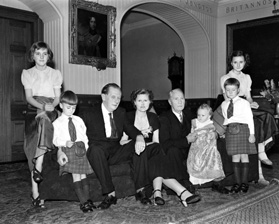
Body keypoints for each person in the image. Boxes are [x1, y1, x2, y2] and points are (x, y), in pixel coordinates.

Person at [58, 83, 158, 209]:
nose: (116, 101)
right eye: (113, 97)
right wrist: (60, 149)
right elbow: (71, 131)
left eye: (119, 98)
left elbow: (130, 128)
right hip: (98, 151)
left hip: (116, 150)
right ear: (103, 97)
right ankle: (110, 194)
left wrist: (138, 137)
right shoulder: (88, 113)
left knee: (139, 144)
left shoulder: (121, 112)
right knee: (95, 150)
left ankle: (140, 190)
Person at [121, 89, 200, 207]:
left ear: (150, 102)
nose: (143, 104)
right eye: (139, 100)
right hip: (133, 149)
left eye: (146, 100)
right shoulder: (128, 116)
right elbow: (122, 142)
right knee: (153, 152)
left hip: (152, 150)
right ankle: (179, 192)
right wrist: (139, 142)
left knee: (157, 151)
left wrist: (146, 145)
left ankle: (158, 193)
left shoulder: (153, 117)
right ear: (134, 102)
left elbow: (156, 142)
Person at [220, 50, 278, 184]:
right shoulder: (225, 78)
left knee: (267, 115)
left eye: (241, 62)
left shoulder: (247, 78)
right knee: (261, 118)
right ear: (231, 63)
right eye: (235, 62)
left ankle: (262, 150)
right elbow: (226, 98)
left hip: (245, 104)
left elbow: (249, 97)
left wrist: (252, 103)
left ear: (245, 63)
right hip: (232, 106)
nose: (238, 65)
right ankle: (260, 155)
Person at [159, 89, 230, 195]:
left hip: (195, 147)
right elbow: (165, 143)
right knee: (172, 151)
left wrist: (215, 134)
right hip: (178, 150)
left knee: (218, 143)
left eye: (182, 98)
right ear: (170, 102)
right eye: (176, 99)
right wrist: (186, 140)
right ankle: (184, 183)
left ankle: (217, 182)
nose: (180, 102)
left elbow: (205, 124)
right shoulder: (165, 118)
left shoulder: (190, 113)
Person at [21, 41, 63, 208]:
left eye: (44, 54)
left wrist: (50, 106)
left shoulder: (55, 73)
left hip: (51, 108)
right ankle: (36, 194)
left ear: (49, 56)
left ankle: (38, 165)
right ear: (33, 56)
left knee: (45, 119)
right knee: (37, 133)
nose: (41, 57)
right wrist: (42, 107)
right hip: (34, 109)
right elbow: (29, 98)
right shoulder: (27, 73)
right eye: (38, 54)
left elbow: (58, 97)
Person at [53, 91, 95, 213]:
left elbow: (84, 135)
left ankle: (88, 199)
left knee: (84, 174)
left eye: (74, 107)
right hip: (69, 149)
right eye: (68, 107)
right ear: (61, 105)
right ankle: (83, 202)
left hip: (81, 149)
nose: (71, 110)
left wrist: (87, 148)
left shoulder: (79, 120)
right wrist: (64, 142)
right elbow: (55, 140)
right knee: (76, 175)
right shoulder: (57, 123)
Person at [221, 78, 257, 193]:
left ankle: (244, 183)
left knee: (244, 156)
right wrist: (223, 131)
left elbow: (249, 119)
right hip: (231, 131)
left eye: (233, 90)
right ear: (225, 91)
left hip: (243, 129)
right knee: (235, 156)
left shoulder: (244, 103)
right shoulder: (224, 104)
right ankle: (237, 183)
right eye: (228, 90)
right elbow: (226, 119)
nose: (230, 92)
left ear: (238, 90)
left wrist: (252, 134)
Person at [187, 104, 225, 187]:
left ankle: (216, 182)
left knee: (212, 156)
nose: (200, 117)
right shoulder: (195, 123)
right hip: (196, 148)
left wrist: (211, 135)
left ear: (209, 116)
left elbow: (214, 136)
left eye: (203, 115)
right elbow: (191, 134)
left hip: (208, 149)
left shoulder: (211, 125)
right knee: (195, 162)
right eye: (198, 115)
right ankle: (195, 183)